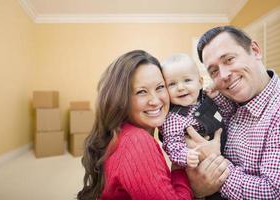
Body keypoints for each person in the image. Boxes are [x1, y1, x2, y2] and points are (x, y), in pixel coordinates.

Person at [77, 50, 196, 200]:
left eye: (160, 87)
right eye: (141, 92)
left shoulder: (121, 133)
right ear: (121, 99)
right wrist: (180, 170)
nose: (155, 101)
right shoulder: (137, 142)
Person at [186, 26, 280, 199]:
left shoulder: (276, 112)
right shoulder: (229, 101)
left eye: (229, 60)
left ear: (255, 51)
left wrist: (214, 164)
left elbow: (273, 192)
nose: (223, 75)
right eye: (214, 71)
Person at [159, 53, 234, 169]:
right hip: (204, 165)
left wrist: (217, 97)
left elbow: (229, 113)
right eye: (172, 84)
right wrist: (186, 155)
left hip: (230, 154)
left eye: (187, 80)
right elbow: (172, 145)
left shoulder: (207, 98)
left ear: (200, 82)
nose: (180, 87)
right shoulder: (173, 118)